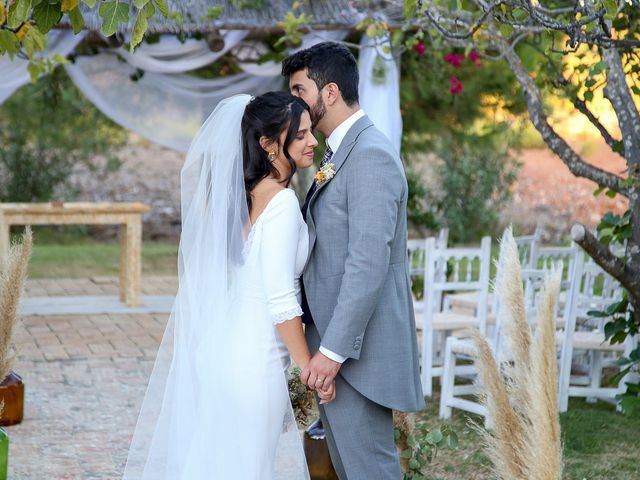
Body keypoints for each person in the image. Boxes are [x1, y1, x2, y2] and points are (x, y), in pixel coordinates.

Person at [122, 92, 330, 479]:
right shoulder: (282, 206)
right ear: (268, 144)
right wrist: (309, 373)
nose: (312, 141)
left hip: (220, 355)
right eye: (299, 135)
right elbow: (282, 302)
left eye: (310, 132)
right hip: (255, 366)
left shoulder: (242, 200)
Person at [282, 42, 425, 479]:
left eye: (298, 89)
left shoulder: (370, 156)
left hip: (355, 355)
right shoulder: (340, 153)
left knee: (369, 471)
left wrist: (331, 352)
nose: (293, 101)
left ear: (328, 93)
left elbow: (368, 263)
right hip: (336, 353)